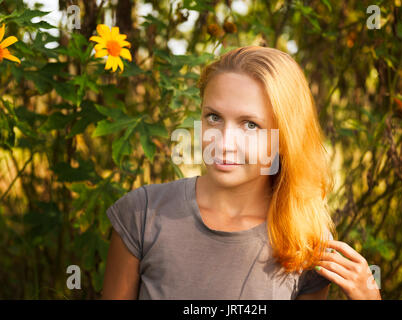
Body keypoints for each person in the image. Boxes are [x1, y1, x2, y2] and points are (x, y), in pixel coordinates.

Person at [101, 46, 381, 300]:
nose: (224, 142)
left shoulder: (302, 239)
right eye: (214, 117)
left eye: (250, 125)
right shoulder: (142, 214)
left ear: (285, 138)